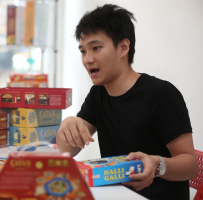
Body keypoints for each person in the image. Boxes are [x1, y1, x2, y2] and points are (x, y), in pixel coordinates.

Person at [56, 4, 198, 200]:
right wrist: (68, 126)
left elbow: (191, 166)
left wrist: (156, 164)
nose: (88, 59)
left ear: (123, 47)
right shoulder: (99, 93)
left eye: (96, 48)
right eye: (83, 51)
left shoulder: (161, 94)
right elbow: (67, 150)